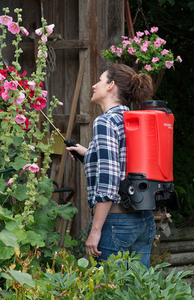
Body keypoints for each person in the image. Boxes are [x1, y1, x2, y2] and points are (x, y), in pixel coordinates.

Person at [66, 63, 156, 269]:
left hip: (116, 222)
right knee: (137, 291)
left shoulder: (105, 122)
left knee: (107, 290)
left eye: (99, 80)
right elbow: (125, 163)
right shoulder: (134, 120)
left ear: (110, 86)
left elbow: (110, 179)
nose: (94, 85)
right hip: (143, 220)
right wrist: (87, 154)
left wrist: (96, 230)